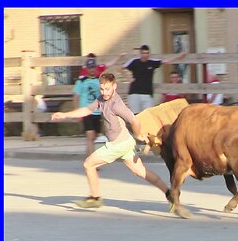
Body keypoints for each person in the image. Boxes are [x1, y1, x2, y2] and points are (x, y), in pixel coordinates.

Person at [51, 73, 173, 209]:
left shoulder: (116, 104)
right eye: (102, 89)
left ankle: (95, 197)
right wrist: (65, 114)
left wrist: (138, 135)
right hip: (125, 143)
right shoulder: (101, 100)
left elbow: (134, 120)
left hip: (118, 145)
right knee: (141, 172)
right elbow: (86, 110)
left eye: (107, 89)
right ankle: (169, 194)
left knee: (88, 165)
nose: (104, 93)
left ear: (114, 86)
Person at [123, 45, 187, 114]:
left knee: (148, 114)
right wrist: (128, 78)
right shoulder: (134, 62)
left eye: (147, 53)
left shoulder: (152, 62)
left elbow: (166, 61)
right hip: (134, 93)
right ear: (140, 54)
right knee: (135, 115)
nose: (145, 55)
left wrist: (178, 56)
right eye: (143, 53)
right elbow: (120, 68)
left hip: (147, 94)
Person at [72, 59, 102, 157]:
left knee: (94, 137)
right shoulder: (81, 81)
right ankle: (92, 162)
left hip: (97, 112)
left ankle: (88, 157)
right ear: (87, 69)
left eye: (93, 67)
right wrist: (77, 112)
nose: (92, 70)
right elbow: (76, 97)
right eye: (89, 68)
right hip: (86, 111)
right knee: (90, 135)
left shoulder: (100, 81)